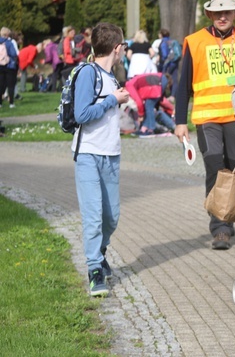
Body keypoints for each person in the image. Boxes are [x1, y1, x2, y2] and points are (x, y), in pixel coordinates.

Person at [174, 0, 235, 250]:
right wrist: (180, 121)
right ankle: (221, 226)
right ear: (210, 14)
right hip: (207, 117)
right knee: (215, 165)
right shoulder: (195, 41)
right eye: (218, 12)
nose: (223, 17)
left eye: (228, 12)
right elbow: (183, 85)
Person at [71, 22, 130, 297]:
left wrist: (116, 98)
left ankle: (100, 251)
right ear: (117, 48)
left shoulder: (112, 76)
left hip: (111, 154)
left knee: (112, 217)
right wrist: (112, 100)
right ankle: (95, 269)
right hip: (88, 154)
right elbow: (82, 114)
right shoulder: (88, 73)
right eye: (122, 48)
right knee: (94, 216)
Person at [0, 27, 19, 108]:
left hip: (0, 66)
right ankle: (11, 103)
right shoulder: (9, 42)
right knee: (10, 85)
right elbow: (14, 54)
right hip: (9, 66)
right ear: (7, 34)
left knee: (1, 85)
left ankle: (0, 103)